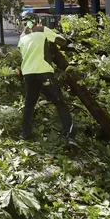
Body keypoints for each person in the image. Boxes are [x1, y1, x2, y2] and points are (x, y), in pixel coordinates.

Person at [17, 13, 75, 145]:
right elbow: (62, 41)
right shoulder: (42, 30)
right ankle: (70, 136)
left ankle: (23, 134)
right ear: (37, 21)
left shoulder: (21, 38)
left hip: (28, 75)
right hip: (44, 73)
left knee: (29, 104)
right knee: (60, 103)